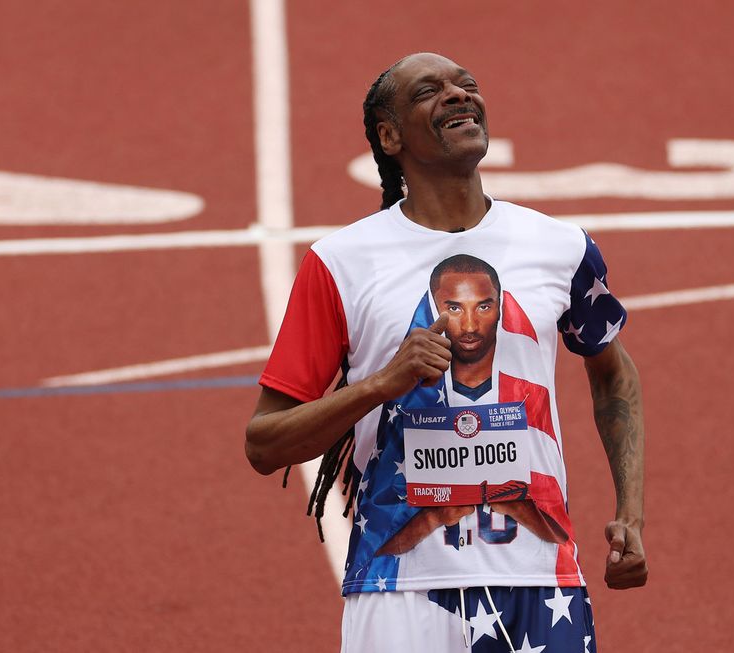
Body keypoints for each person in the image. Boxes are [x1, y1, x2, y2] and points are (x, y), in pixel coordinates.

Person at [245, 52, 647, 653]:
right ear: (389, 136)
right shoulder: (341, 263)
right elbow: (265, 442)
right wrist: (382, 384)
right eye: (430, 91)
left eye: (468, 86)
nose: (459, 96)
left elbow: (613, 375)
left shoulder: (559, 246)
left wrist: (631, 512)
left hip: (542, 584)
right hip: (398, 590)